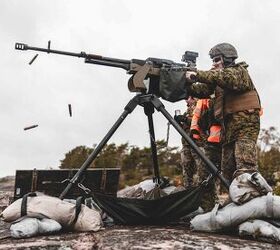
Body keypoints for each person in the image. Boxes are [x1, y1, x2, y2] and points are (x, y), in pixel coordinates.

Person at [185, 43, 261, 185]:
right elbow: (200, 90)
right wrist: (183, 82)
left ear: (227, 59)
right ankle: (235, 201)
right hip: (228, 130)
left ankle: (251, 199)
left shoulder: (239, 72)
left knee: (245, 167)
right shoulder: (218, 80)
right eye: (212, 61)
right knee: (228, 171)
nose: (213, 64)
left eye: (216, 60)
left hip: (245, 127)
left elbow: (225, 77)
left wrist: (197, 74)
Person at [175, 96, 201, 188]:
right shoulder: (187, 111)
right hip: (186, 144)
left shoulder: (200, 106)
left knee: (200, 169)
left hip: (198, 143)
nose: (186, 100)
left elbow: (200, 121)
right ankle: (188, 190)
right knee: (186, 169)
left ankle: (202, 192)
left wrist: (186, 119)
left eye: (188, 97)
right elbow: (183, 129)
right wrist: (178, 122)